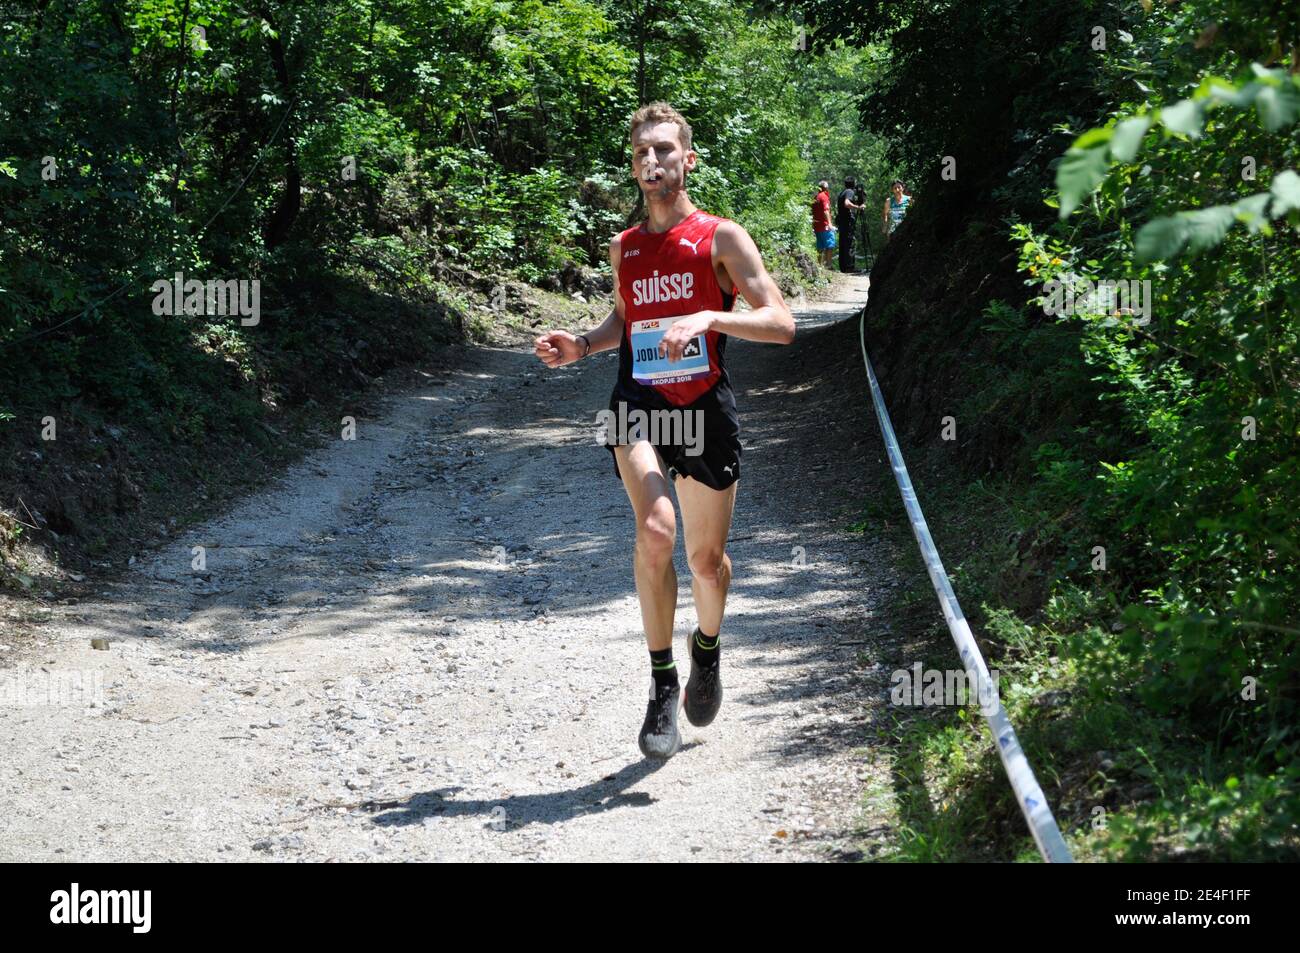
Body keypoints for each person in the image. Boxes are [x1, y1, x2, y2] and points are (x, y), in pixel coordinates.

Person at [533, 102, 795, 760]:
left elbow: (782, 322)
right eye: (642, 153)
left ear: (688, 159)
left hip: (704, 404)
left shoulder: (721, 239)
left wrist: (711, 319)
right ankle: (660, 684)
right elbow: (623, 319)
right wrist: (582, 346)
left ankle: (704, 649)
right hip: (636, 402)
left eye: (665, 150)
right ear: (634, 166)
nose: (653, 161)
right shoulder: (625, 246)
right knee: (656, 530)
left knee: (707, 562)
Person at [836, 177, 864, 272]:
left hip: (842, 222)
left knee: (843, 244)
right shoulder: (849, 192)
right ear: (853, 184)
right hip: (847, 222)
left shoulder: (842, 192)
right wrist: (858, 207)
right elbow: (847, 203)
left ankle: (844, 267)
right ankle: (849, 267)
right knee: (850, 243)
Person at [811, 180, 835, 268]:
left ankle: (819, 266)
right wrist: (829, 224)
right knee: (830, 245)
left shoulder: (815, 197)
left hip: (817, 226)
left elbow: (813, 212)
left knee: (820, 247)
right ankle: (828, 265)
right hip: (824, 226)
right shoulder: (824, 197)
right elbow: (826, 211)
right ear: (826, 188)